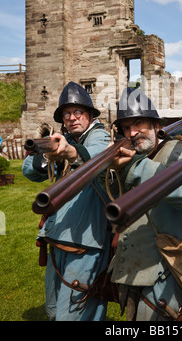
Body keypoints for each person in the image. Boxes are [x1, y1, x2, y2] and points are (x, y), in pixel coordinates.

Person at [106, 87, 182, 321]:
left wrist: (134, 167)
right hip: (138, 267)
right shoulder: (136, 159)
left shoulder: (179, 151)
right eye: (126, 127)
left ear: (156, 124)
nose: (132, 133)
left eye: (139, 123)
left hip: (170, 271)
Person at [22, 81, 112, 321]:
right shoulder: (67, 140)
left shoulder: (100, 137)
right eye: (66, 114)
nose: (72, 118)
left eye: (78, 112)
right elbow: (29, 173)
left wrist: (68, 153)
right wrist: (43, 152)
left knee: (74, 311)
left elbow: (93, 160)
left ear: (90, 114)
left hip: (87, 240)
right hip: (59, 235)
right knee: (54, 308)